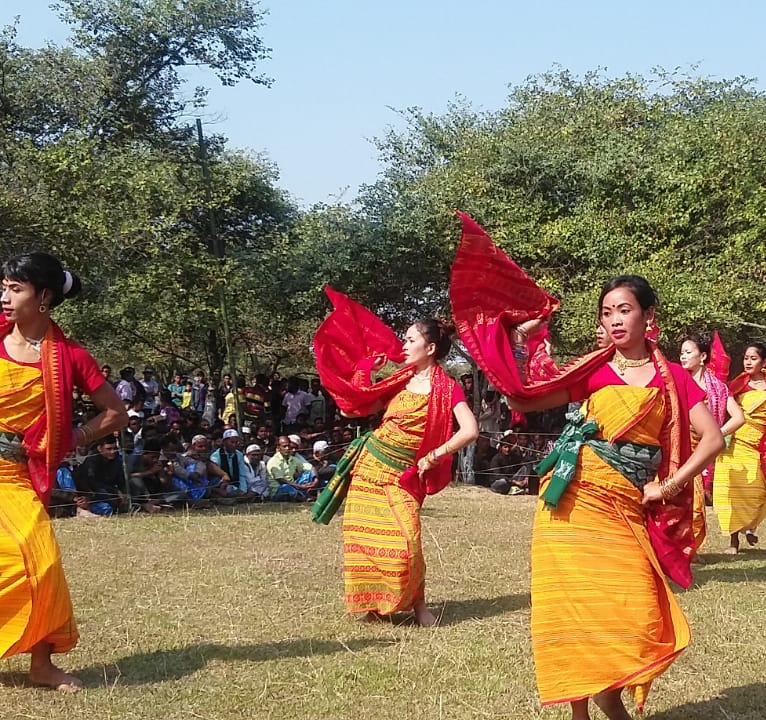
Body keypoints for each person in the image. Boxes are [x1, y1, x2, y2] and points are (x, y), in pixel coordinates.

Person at [450, 216, 723, 719]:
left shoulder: (674, 382)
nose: (616, 320)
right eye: (607, 312)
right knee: (572, 604)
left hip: (629, 503)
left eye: (625, 310)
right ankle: (583, 711)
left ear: (648, 316)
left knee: (634, 605)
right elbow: (526, 401)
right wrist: (516, 337)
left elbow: (712, 438)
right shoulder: (591, 371)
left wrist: (670, 485)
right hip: (572, 497)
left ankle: (609, 693)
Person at [0, 251, 127, 691]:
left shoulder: (70, 356)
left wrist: (71, 438)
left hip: (15, 477)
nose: (4, 296)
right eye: (4, 287)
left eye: (16, 288)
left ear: (44, 298)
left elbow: (114, 413)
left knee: (43, 562)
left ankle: (41, 665)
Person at [312, 295, 477, 628]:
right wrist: (363, 372)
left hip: (403, 475)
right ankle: (372, 606)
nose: (403, 345)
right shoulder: (397, 380)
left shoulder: (447, 389)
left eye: (411, 340)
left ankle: (419, 607)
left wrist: (435, 455)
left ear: (430, 349)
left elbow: (470, 429)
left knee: (407, 541)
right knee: (365, 539)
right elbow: (352, 408)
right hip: (369, 468)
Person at [714, 340, 766, 554]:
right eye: (746, 358)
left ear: (764, 362)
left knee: (758, 491)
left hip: (758, 446)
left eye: (753, 358)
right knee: (730, 490)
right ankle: (733, 542)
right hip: (734, 444)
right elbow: (723, 408)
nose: (748, 362)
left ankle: (750, 526)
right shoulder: (736, 385)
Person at [678, 333, 744, 556]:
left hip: (698, 451)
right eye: (682, 352)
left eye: (688, 352)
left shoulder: (718, 388)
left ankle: (689, 549)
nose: (683, 356)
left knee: (695, 501)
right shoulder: (676, 380)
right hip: (675, 445)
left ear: (703, 356)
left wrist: (715, 435)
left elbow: (738, 417)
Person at [265, 436, 315, 501]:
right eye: (284, 446)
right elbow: (281, 480)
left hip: (293, 486)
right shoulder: (273, 461)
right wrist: (300, 486)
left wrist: (315, 479)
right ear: (278, 447)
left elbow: (310, 467)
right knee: (286, 487)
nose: (287, 448)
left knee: (309, 474)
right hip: (278, 492)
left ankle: (302, 495)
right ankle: (304, 498)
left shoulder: (292, 459)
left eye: (289, 446)